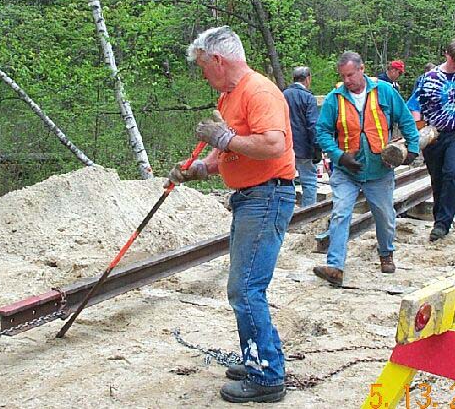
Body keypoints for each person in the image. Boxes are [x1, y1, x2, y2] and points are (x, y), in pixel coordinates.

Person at [166, 26, 294, 403]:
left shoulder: (258, 91)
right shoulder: (228, 98)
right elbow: (230, 152)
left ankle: (267, 377)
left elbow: (273, 144)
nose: (204, 75)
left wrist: (222, 139)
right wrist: (202, 168)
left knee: (245, 288)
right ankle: (257, 358)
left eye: (205, 67)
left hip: (267, 196)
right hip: (249, 197)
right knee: (247, 287)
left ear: (219, 61)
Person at [313, 51, 419, 285]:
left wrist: (412, 147)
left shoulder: (384, 91)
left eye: (350, 74)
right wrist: (339, 156)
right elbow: (322, 131)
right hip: (346, 170)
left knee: (384, 215)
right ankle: (335, 266)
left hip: (379, 169)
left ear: (362, 69)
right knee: (340, 213)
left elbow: (405, 118)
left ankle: (386, 253)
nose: (347, 80)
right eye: (343, 76)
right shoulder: (335, 98)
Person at [407, 38, 455, 241]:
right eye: (454, 60)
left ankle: (443, 223)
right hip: (434, 135)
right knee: (438, 179)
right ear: (446, 54)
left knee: (452, 173)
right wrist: (419, 129)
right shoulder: (429, 78)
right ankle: (439, 221)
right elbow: (414, 105)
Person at [283, 66, 320, 207]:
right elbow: (312, 125)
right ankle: (308, 213)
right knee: (309, 181)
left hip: (285, 147)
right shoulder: (308, 98)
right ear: (308, 78)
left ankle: (288, 211)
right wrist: (317, 147)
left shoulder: (283, 94)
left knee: (287, 181)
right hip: (304, 147)